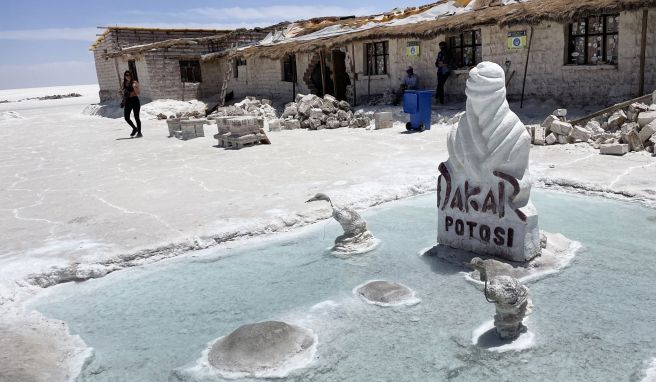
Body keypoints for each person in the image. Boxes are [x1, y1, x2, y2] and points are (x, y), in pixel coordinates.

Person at [121, 70, 142, 138]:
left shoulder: (135, 82)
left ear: (131, 75)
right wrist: (121, 94)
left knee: (136, 117)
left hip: (135, 100)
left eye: (129, 75)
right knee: (126, 117)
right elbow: (123, 92)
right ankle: (134, 128)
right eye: (126, 75)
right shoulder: (124, 83)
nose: (128, 76)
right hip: (127, 101)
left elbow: (138, 93)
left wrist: (134, 87)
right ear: (124, 76)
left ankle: (139, 132)